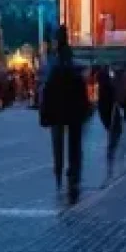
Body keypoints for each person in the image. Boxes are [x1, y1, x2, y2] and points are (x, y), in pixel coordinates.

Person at [40, 26, 90, 204]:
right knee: (74, 145)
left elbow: (46, 90)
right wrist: (85, 109)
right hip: (74, 110)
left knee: (58, 145)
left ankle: (60, 174)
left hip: (57, 111)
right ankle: (73, 174)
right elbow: (81, 88)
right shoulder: (72, 63)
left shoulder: (53, 65)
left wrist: (44, 113)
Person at [96, 65, 122, 182]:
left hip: (106, 113)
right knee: (115, 133)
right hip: (111, 113)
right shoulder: (108, 87)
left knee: (113, 133)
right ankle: (111, 155)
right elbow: (114, 99)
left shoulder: (102, 87)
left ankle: (111, 153)